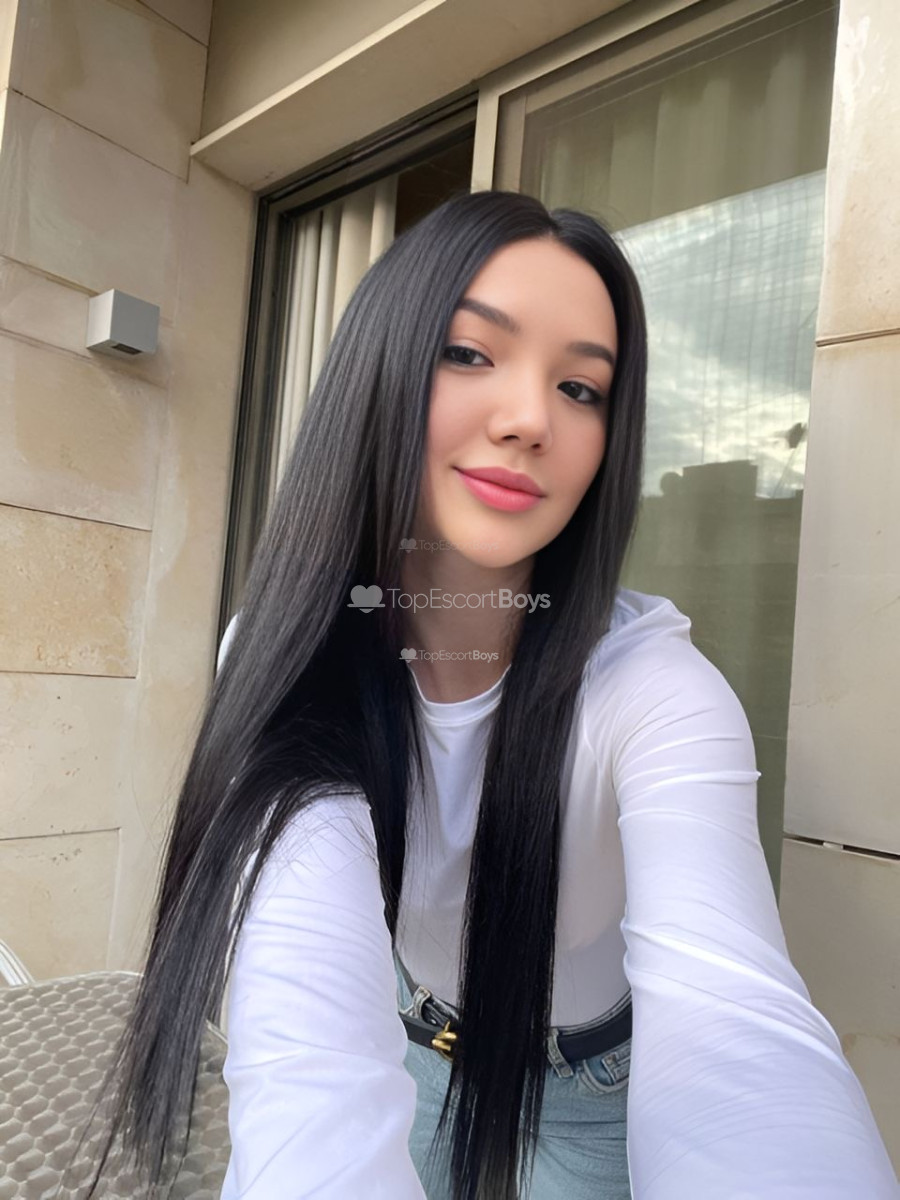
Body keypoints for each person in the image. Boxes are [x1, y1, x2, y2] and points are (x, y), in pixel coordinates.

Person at [89, 191, 898, 1200]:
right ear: (380, 369)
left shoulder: (654, 693)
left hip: (602, 1090)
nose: (530, 421)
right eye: (471, 354)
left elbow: (739, 1040)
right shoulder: (286, 656)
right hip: (413, 1041)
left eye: (582, 388)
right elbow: (309, 1075)